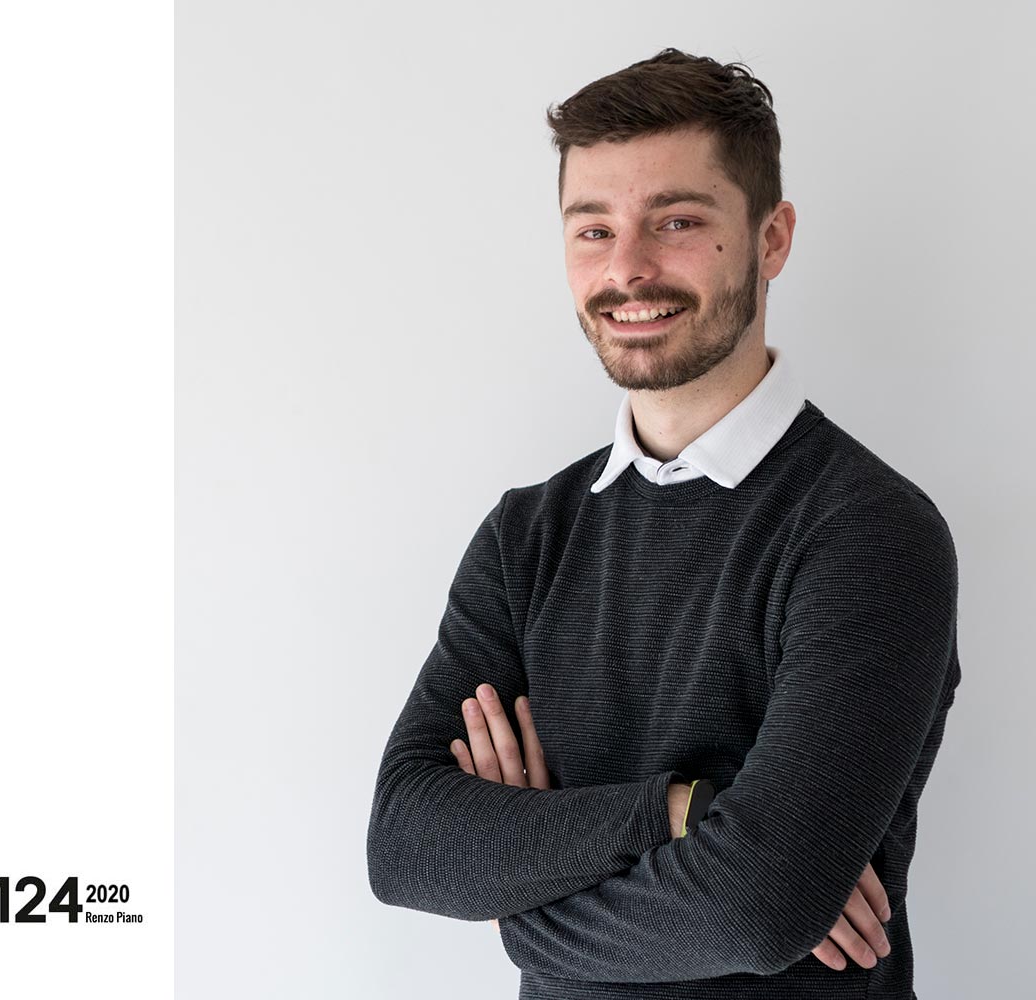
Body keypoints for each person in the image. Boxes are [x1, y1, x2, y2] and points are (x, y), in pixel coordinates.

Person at [367, 48, 962, 999]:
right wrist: (684, 813)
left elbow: (753, 907)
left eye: (677, 222)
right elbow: (406, 844)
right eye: (593, 229)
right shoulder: (526, 538)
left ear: (772, 238)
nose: (627, 269)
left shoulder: (868, 532)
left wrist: (519, 902)